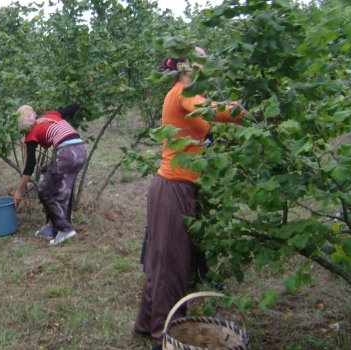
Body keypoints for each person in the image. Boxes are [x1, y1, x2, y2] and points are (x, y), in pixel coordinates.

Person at [134, 48, 243, 349]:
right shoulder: (181, 93)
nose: (205, 64)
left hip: (175, 187)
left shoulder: (189, 94)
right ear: (184, 66)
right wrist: (247, 112)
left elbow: (207, 114)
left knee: (162, 259)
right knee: (172, 264)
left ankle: (148, 325)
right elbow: (213, 110)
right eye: (201, 59)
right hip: (172, 188)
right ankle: (165, 337)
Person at [14, 104, 87, 246]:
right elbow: (71, 108)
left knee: (44, 190)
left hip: (66, 152)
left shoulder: (31, 134)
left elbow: (29, 166)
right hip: (80, 149)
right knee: (62, 188)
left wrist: (19, 190)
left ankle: (65, 229)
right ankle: (51, 228)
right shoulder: (50, 116)